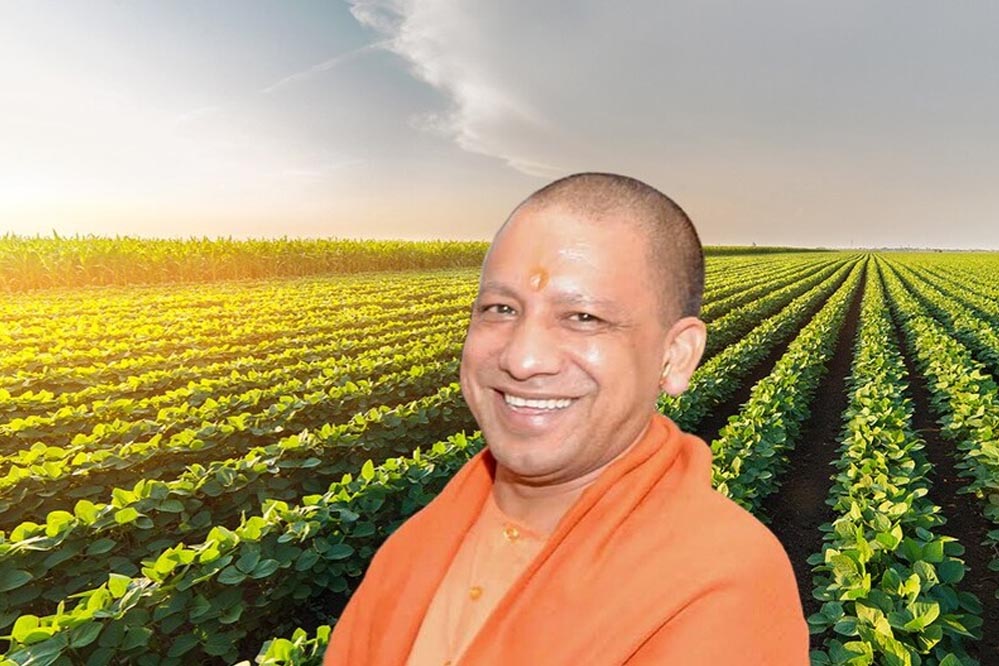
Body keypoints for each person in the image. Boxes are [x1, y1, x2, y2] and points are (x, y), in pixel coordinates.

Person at [323, 173, 810, 665]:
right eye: (500, 308)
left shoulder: (721, 583)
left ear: (676, 355)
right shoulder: (418, 543)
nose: (523, 358)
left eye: (583, 317)